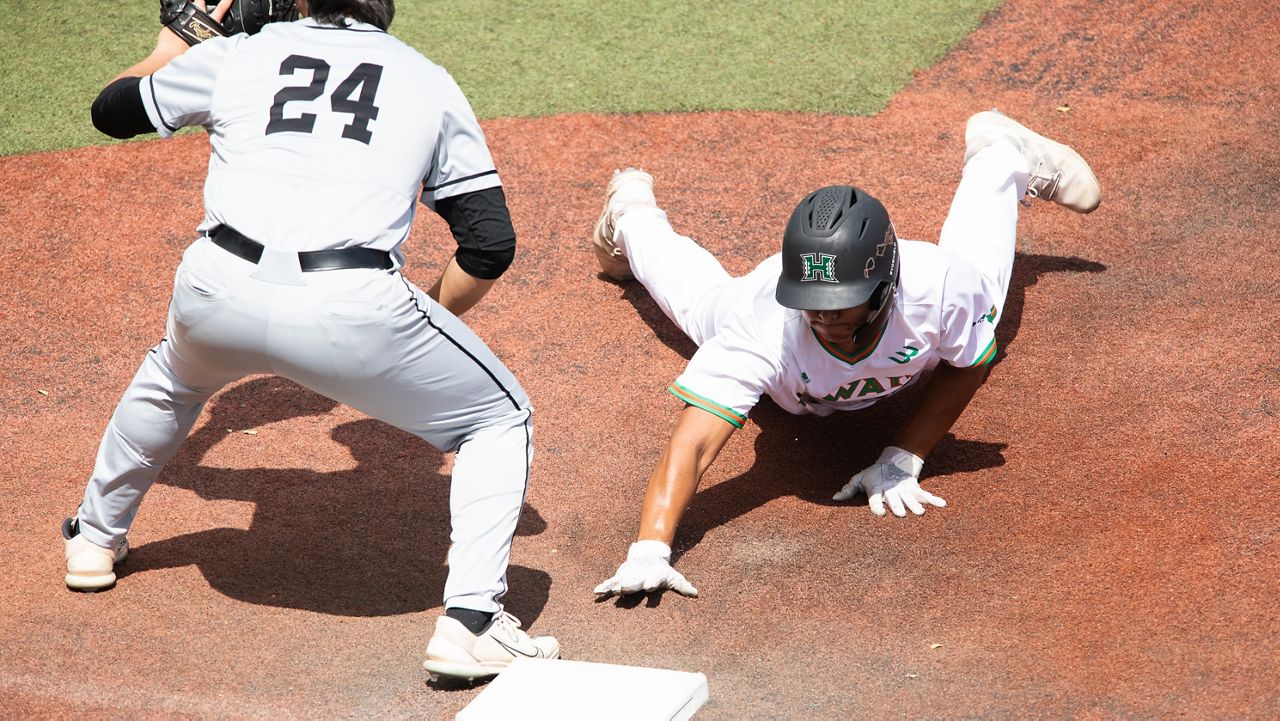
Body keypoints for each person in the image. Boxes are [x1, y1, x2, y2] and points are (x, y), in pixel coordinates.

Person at [62, 0, 558, 679]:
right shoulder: (427, 79)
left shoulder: (240, 53)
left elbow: (111, 110)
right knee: (499, 417)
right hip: (353, 310)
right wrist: (418, 325)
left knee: (175, 377)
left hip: (216, 290)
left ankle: (93, 540)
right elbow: (489, 242)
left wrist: (178, 41)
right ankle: (471, 623)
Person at [591, 110, 1101, 598]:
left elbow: (971, 363)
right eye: (811, 303)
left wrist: (904, 456)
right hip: (778, 373)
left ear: (884, 288)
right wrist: (649, 550)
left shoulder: (938, 288)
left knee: (982, 288)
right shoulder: (764, 322)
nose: (823, 317)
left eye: (839, 305)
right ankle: (631, 216)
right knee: (698, 301)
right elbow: (694, 443)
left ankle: (1001, 153)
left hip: (931, 298)